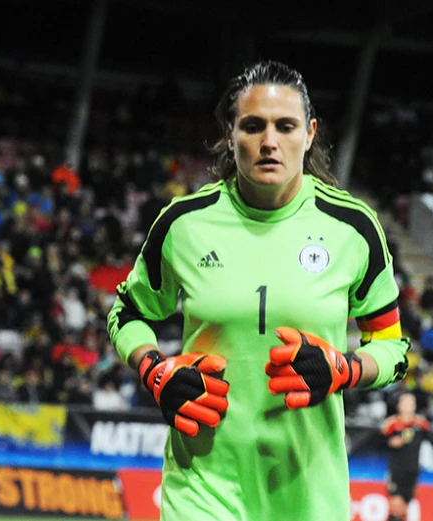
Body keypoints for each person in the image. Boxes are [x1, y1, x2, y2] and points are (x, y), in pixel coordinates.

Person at [106, 60, 411, 521]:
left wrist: (343, 369)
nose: (269, 142)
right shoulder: (183, 224)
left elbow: (393, 350)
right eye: (253, 126)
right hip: (202, 486)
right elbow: (127, 314)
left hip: (307, 490)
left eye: (285, 126)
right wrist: (155, 369)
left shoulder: (353, 229)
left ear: (309, 134)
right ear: (230, 135)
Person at [381, 393, 433, 521]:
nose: (409, 406)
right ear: (399, 406)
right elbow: (378, 442)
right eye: (406, 403)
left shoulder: (420, 424)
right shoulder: (392, 424)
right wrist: (390, 442)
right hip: (396, 472)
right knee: (395, 507)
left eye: (412, 403)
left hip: (412, 471)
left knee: (405, 509)